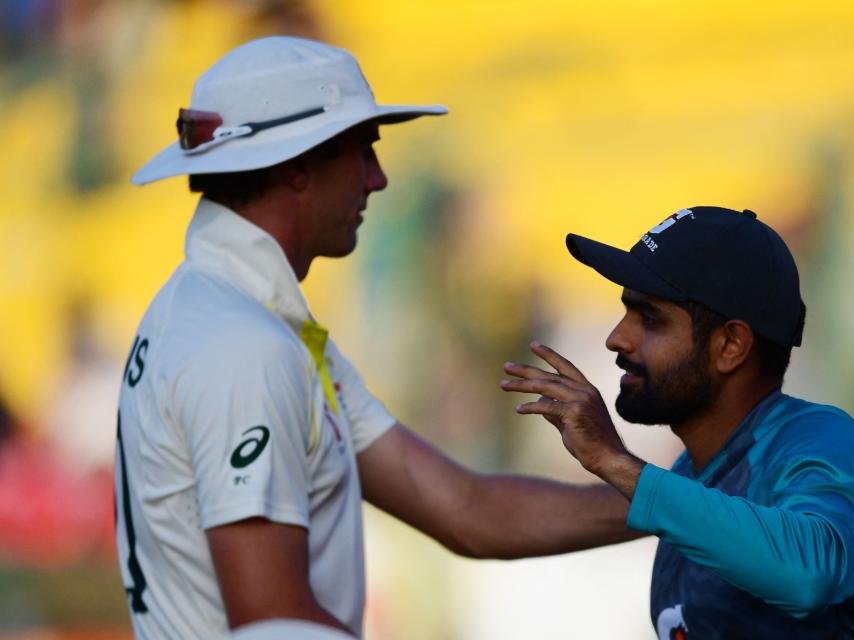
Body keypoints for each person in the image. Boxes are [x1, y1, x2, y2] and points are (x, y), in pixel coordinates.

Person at [115, 36, 635, 640]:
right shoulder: (243, 344)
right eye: (363, 151)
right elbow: (271, 624)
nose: (379, 178)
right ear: (296, 165)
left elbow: (468, 510)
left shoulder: (240, 320)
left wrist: (687, 504)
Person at [501, 206, 854, 638]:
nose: (616, 338)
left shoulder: (822, 440)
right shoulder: (693, 476)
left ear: (730, 345)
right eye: (625, 312)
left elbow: (811, 574)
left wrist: (612, 460)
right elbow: (482, 520)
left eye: (650, 318)